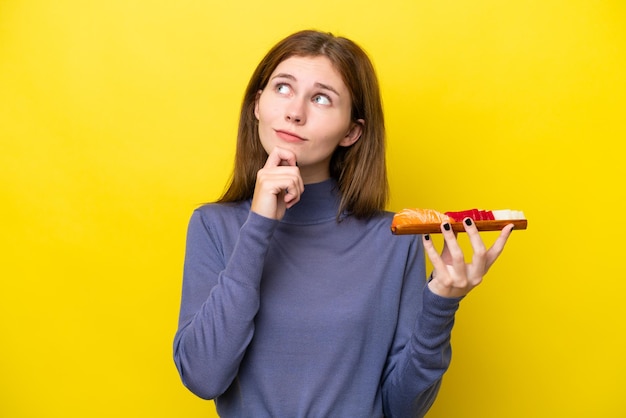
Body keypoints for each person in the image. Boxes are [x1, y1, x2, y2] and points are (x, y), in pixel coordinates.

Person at [173, 29, 514, 417]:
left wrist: (441, 305)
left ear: (352, 131)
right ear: (257, 104)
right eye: (283, 88)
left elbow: (401, 408)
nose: (295, 111)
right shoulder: (213, 226)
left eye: (321, 98)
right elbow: (203, 377)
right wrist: (258, 227)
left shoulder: (394, 240)